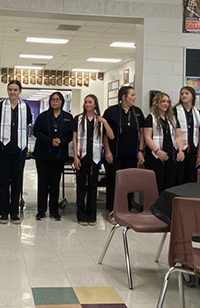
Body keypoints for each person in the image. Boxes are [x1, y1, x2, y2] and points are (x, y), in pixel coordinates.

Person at [102, 86, 146, 224]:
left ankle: (127, 209)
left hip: (131, 155)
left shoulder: (137, 112)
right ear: (123, 97)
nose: (134, 97)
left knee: (129, 183)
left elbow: (142, 132)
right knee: (113, 182)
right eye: (132, 95)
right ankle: (112, 210)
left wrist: (140, 150)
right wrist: (107, 151)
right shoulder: (111, 112)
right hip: (114, 154)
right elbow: (105, 134)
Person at [0, 80, 32, 224]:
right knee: (3, 181)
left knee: (16, 181)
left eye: (15, 89)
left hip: (19, 150)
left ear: (20, 91)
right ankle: (3, 212)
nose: (12, 92)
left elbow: (27, 124)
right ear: (7, 91)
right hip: (3, 149)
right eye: (10, 89)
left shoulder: (25, 107)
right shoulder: (1, 106)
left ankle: (14, 212)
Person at [72, 94, 114, 226]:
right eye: (85, 102)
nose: (87, 105)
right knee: (81, 187)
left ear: (95, 104)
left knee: (92, 187)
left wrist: (105, 122)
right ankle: (81, 215)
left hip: (95, 159)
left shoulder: (100, 120)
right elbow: (74, 139)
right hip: (82, 157)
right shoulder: (78, 119)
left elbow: (111, 136)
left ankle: (92, 215)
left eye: (90, 102)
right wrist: (75, 157)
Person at [33, 92, 74, 221]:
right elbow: (36, 132)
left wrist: (61, 141)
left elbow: (71, 134)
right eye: (53, 99)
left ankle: (54, 211)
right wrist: (50, 140)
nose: (55, 101)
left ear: (62, 101)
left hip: (59, 155)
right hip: (43, 154)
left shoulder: (68, 117)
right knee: (43, 183)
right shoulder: (43, 116)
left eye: (58, 99)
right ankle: (41, 210)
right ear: (50, 102)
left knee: (55, 183)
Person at [144, 92, 184, 194]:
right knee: (158, 182)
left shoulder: (173, 119)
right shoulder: (151, 118)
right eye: (162, 101)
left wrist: (180, 150)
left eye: (167, 102)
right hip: (155, 154)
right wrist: (157, 151)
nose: (165, 104)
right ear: (156, 103)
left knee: (170, 182)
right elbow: (147, 137)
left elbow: (178, 136)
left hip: (171, 153)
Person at [174, 86, 200, 184]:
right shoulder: (175, 111)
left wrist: (199, 154)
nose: (184, 96)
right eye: (182, 94)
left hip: (193, 148)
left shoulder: (197, 112)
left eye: (187, 93)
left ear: (192, 96)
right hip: (179, 148)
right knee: (179, 175)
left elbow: (199, 133)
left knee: (191, 176)